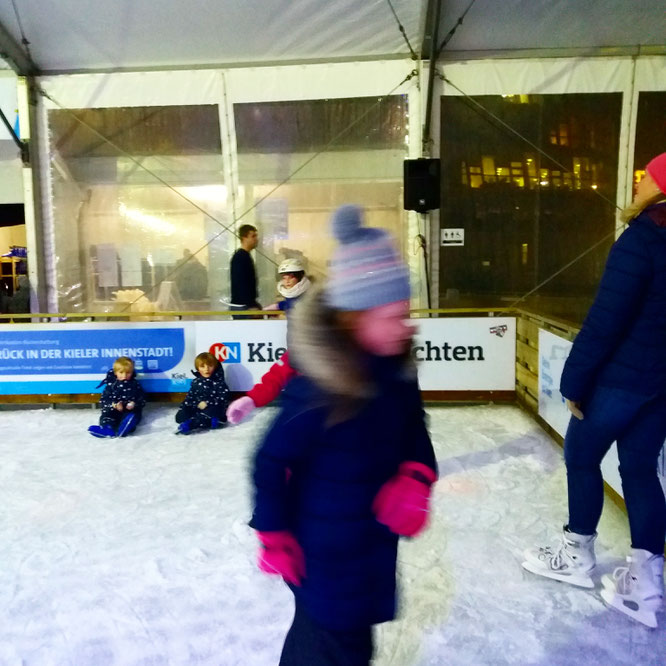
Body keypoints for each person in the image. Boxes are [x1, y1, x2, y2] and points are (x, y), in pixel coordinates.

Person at [250, 204, 438, 664]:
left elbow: (415, 427)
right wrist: (273, 532)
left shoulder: (395, 374)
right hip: (321, 551)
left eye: (406, 311)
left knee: (340, 641)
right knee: (334, 645)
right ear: (354, 319)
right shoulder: (320, 389)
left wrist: (416, 475)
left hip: (368, 544)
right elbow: (270, 460)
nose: (407, 323)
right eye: (394, 313)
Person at [522, 153, 666, 628]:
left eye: (645, 175)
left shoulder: (642, 239)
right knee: (641, 470)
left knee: (581, 458)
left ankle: (577, 555)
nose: (637, 181)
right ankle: (645, 587)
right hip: (659, 385)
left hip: (621, 380)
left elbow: (606, 321)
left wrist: (574, 380)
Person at [226, 258, 312, 424]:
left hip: (313, 361)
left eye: (290, 276)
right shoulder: (293, 300)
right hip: (297, 353)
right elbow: (273, 380)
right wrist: (250, 400)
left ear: (300, 277)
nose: (286, 280)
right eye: (283, 277)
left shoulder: (311, 301)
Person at [88, 356, 145, 438]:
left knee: (133, 415)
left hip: (129, 410)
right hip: (114, 409)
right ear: (115, 373)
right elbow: (104, 399)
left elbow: (141, 398)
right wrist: (114, 405)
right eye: (121, 373)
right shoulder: (111, 385)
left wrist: (133, 403)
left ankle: (126, 427)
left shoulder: (135, 384)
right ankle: (107, 428)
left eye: (128, 373)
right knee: (107, 414)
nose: (124, 375)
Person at [175, 352, 231, 434]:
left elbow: (224, 398)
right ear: (198, 368)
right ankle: (200, 420)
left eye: (210, 366)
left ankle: (192, 424)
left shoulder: (219, 382)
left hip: (213, 408)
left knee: (211, 413)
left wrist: (208, 403)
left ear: (215, 367)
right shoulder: (196, 382)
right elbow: (189, 398)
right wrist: (187, 407)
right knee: (181, 416)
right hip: (198, 408)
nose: (206, 369)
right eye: (202, 366)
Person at [230, 224, 260, 315]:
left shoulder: (244, 256)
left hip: (245, 305)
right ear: (244, 238)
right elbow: (241, 283)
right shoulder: (240, 257)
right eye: (253, 236)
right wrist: (251, 305)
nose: (256, 239)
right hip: (243, 306)